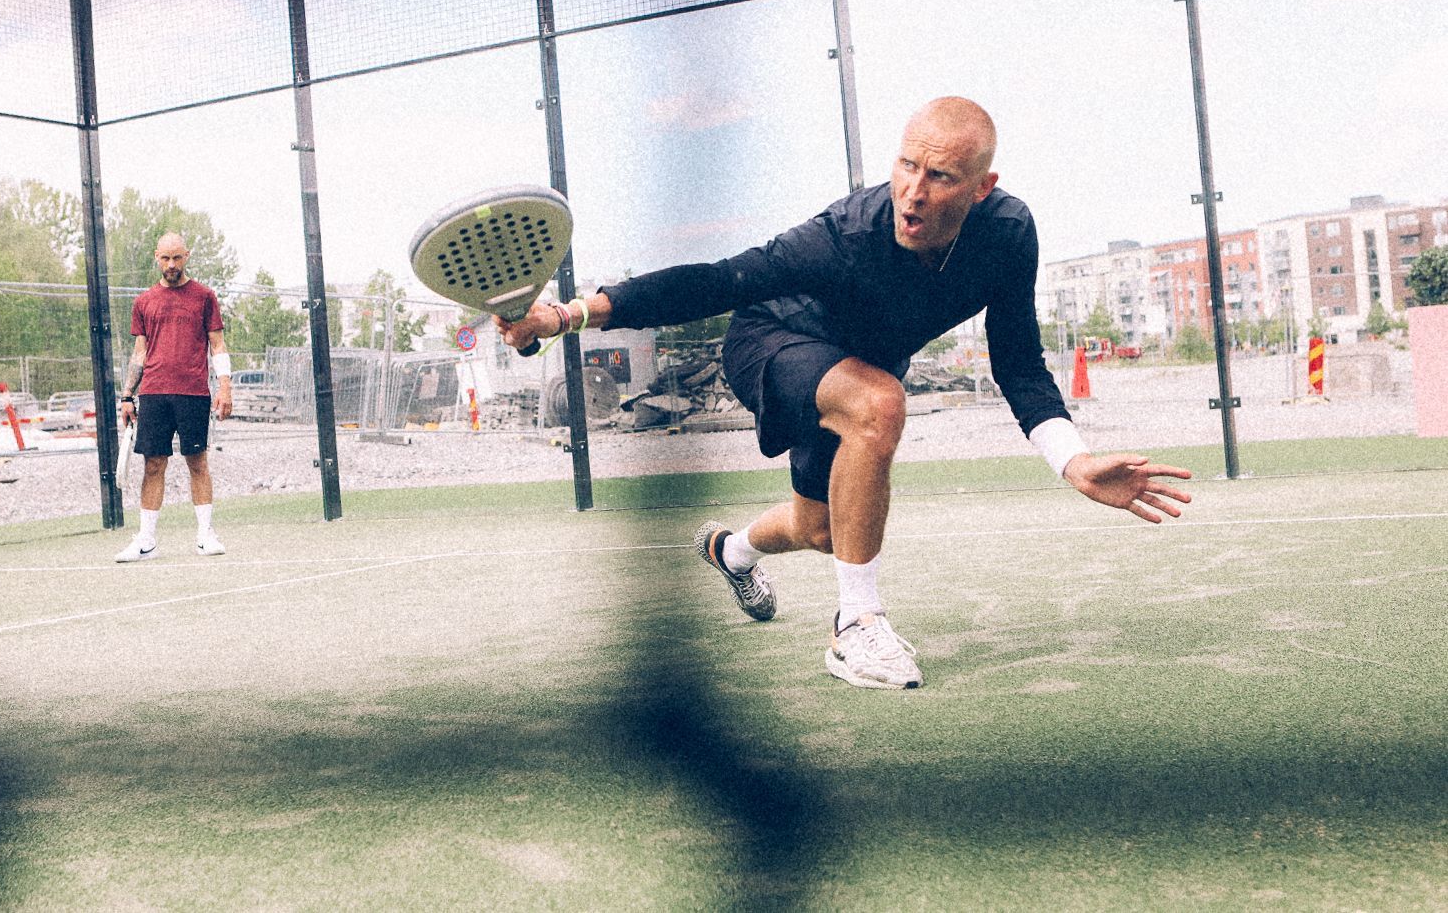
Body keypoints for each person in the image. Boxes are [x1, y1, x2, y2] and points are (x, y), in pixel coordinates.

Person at [497, 96, 1193, 690]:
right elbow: (719, 281)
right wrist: (566, 316)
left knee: (822, 528)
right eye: (906, 166)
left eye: (940, 175)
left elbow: (1017, 360)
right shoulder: (844, 234)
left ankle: (730, 551)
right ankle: (855, 626)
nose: (913, 191)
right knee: (879, 404)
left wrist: (1071, 460)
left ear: (982, 187)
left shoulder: (1007, 236)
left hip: (856, 368)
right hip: (772, 346)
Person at [114, 232, 234, 562]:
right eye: (165, 258)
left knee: (198, 462)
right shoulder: (144, 302)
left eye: (177, 258)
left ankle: (204, 535)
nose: (171, 265)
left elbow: (218, 345)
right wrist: (127, 395)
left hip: (193, 393)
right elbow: (139, 353)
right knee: (153, 466)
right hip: (153, 394)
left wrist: (225, 387)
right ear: (156, 257)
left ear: (187, 256)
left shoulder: (204, 297)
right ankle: (146, 541)